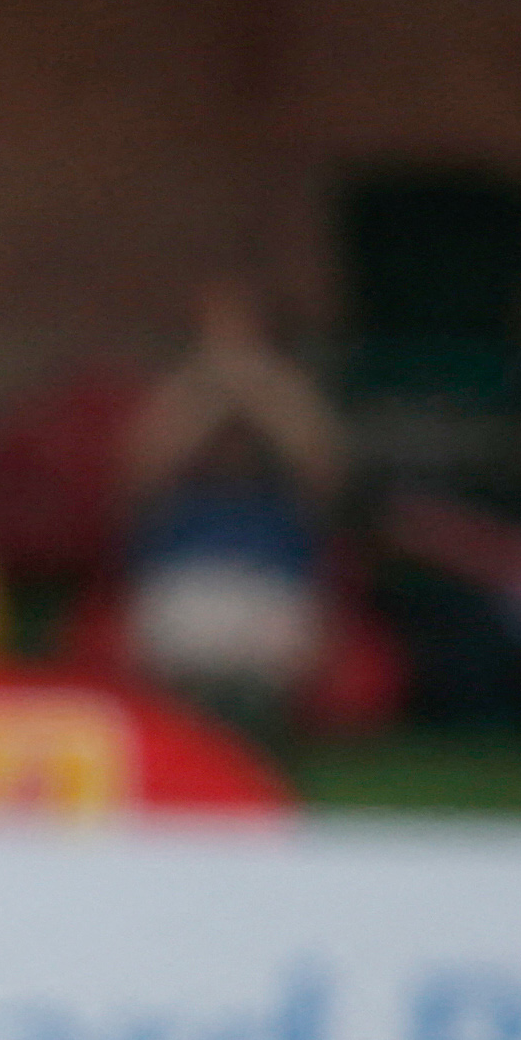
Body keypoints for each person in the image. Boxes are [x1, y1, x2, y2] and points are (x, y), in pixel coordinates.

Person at [117, 277, 345, 718]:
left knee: (275, 665)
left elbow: (323, 471)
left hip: (271, 584)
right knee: (178, 658)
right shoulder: (180, 405)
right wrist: (208, 388)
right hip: (186, 583)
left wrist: (262, 383)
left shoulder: (288, 410)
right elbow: (138, 475)